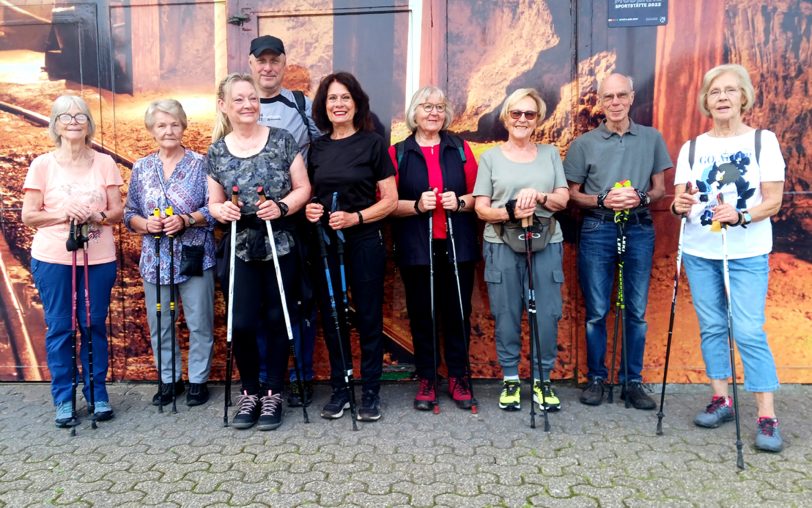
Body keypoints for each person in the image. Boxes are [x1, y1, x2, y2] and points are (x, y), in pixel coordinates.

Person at [671, 64, 785, 452]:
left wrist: (740, 215)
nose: (722, 97)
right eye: (715, 91)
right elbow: (680, 201)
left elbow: (773, 200)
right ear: (706, 100)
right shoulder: (693, 147)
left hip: (747, 251)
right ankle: (721, 399)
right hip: (701, 250)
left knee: (749, 330)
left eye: (730, 91)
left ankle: (767, 417)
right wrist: (679, 204)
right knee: (713, 327)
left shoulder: (762, 141)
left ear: (743, 98)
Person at [207, 73, 310, 430]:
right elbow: (214, 203)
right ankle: (250, 390)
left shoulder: (282, 141)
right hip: (240, 247)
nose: (248, 104)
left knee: (278, 319)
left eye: (252, 98)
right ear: (224, 105)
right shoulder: (217, 151)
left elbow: (303, 188)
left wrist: (281, 207)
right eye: (238, 99)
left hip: (279, 242)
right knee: (243, 322)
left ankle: (274, 394)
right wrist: (222, 211)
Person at [564, 73, 671, 410]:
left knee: (636, 311)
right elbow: (570, 194)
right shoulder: (584, 144)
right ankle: (597, 378)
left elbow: (659, 190)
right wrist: (602, 201)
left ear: (632, 96)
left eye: (621, 95)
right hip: (598, 228)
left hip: (639, 227)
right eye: (608, 96)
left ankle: (632, 382)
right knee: (597, 311)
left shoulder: (651, 138)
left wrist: (639, 197)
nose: (614, 102)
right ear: (600, 100)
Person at [22, 95, 123, 426]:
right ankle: (63, 398)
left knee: (92, 323)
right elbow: (29, 216)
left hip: (98, 257)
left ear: (89, 123)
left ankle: (97, 394)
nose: (74, 120)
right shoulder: (42, 164)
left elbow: (117, 212)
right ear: (55, 124)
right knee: (61, 326)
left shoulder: (104, 163)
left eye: (80, 115)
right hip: (54, 257)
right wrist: (64, 213)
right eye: (65, 116)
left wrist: (97, 214)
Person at [305, 71, 397, 422]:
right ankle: (341, 388)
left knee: (369, 317)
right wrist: (312, 209)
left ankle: (370, 391)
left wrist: (356, 219)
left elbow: (389, 200)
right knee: (332, 318)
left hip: (363, 241)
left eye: (345, 97)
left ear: (356, 103)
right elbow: (309, 195)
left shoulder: (373, 144)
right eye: (332, 98)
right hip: (326, 243)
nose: (339, 104)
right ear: (323, 106)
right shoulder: (317, 148)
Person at [473, 88, 569, 412]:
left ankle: (543, 379)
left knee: (547, 312)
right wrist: (511, 212)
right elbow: (481, 209)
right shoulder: (490, 158)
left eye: (529, 114)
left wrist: (539, 197)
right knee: (506, 312)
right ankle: (511, 378)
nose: (522, 120)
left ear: (538, 118)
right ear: (506, 117)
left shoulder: (550, 154)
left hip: (545, 241)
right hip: (501, 242)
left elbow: (563, 200)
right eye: (516, 113)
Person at [388, 86, 479, 411]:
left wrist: (460, 202)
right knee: (422, 315)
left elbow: (479, 198)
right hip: (417, 248)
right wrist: (415, 205)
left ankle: (459, 376)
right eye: (427, 106)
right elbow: (386, 203)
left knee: (457, 313)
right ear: (415, 111)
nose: (433, 112)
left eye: (439, 107)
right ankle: (427, 377)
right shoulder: (398, 153)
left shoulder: (461, 149)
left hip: (457, 245)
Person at [124, 99, 216, 407]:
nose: (169, 130)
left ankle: (198, 380)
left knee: (199, 320)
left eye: (175, 124)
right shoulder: (142, 167)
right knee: (161, 322)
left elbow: (215, 210)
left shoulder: (202, 164)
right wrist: (146, 224)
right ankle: (169, 379)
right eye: (162, 125)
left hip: (194, 255)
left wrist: (187, 219)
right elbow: (129, 214)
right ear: (152, 129)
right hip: (155, 258)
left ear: (184, 126)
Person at [248, 34, 322, 408]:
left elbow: (322, 150)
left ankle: (301, 375)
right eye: (261, 60)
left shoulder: (299, 103)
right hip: (251, 224)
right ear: (251, 64)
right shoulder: (239, 104)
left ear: (284, 64)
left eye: (274, 60)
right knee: (259, 304)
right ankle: (265, 378)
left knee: (299, 303)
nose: (268, 67)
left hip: (294, 220)